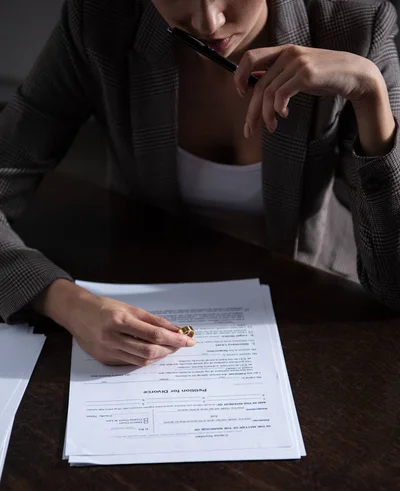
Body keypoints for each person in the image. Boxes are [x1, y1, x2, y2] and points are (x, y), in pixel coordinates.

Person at [0, 0, 399, 367]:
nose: (208, 21)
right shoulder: (102, 17)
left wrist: (370, 98)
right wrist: (64, 301)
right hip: (143, 293)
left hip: (309, 303)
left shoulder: (356, 24)